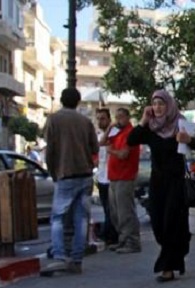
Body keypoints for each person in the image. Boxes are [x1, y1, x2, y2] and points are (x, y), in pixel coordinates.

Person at [127, 89, 195, 282]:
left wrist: (188, 140)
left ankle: (167, 268)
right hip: (157, 182)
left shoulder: (180, 124)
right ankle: (177, 253)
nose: (158, 107)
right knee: (158, 223)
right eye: (154, 104)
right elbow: (131, 139)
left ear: (168, 105)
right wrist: (143, 120)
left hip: (176, 182)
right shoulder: (151, 127)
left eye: (161, 103)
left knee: (171, 223)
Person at [42, 88, 99, 273]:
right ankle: (76, 259)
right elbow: (95, 148)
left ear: (61, 100)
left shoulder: (54, 119)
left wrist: (53, 172)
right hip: (85, 174)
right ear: (78, 102)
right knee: (81, 218)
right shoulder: (85, 121)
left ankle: (59, 255)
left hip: (65, 174)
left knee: (58, 217)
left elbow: (50, 150)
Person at [104, 108, 141, 254]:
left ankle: (132, 241)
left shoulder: (130, 133)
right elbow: (102, 142)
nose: (118, 120)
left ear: (127, 117)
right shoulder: (117, 133)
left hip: (125, 176)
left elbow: (123, 154)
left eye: (121, 117)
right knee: (116, 213)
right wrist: (109, 128)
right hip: (114, 176)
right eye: (116, 117)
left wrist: (110, 150)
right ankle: (123, 239)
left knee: (125, 211)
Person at [95, 108, 118, 246]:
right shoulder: (99, 135)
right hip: (102, 177)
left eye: (103, 118)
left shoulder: (114, 134)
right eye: (98, 118)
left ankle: (111, 235)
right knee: (106, 208)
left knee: (112, 209)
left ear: (109, 119)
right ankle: (108, 234)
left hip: (112, 177)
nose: (100, 121)